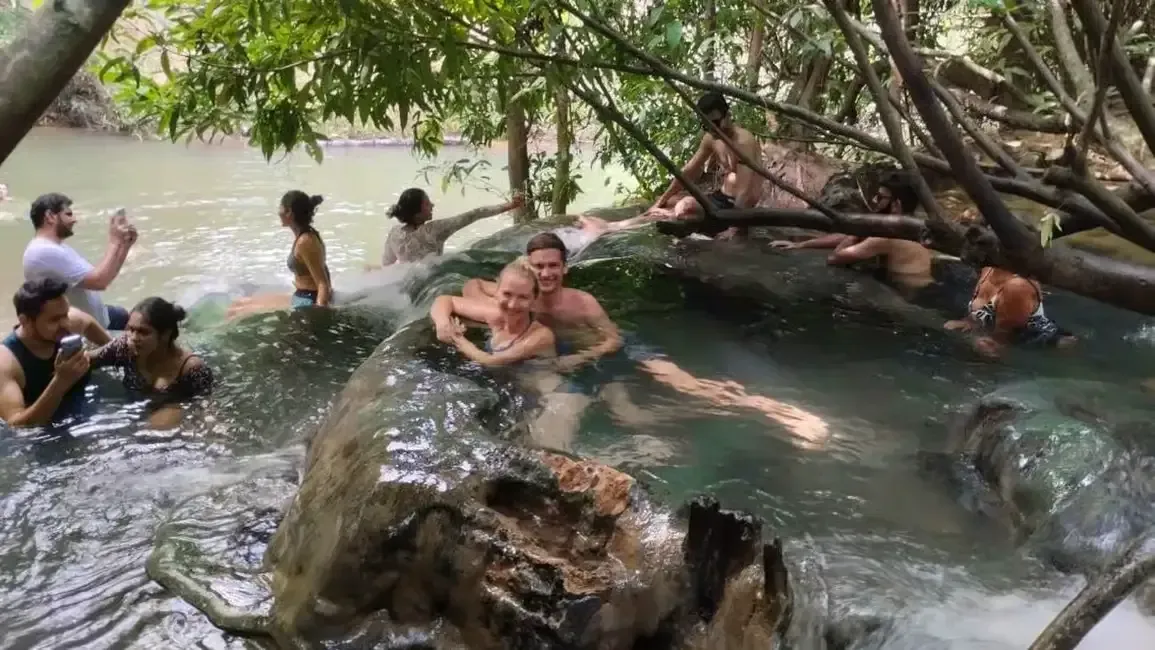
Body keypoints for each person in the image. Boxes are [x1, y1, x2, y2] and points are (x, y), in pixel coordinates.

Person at [578, 91, 763, 239]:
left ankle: (611, 227)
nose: (712, 129)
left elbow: (745, 193)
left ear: (728, 116)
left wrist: (734, 229)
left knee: (685, 206)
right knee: (670, 202)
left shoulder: (743, 143)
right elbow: (688, 172)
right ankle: (618, 225)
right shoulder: (712, 138)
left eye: (715, 123)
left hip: (735, 209)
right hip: (721, 198)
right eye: (706, 125)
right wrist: (660, 201)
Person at [771, 169, 949, 308]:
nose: (873, 199)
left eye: (880, 197)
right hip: (924, 289)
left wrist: (856, 234)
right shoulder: (912, 226)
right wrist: (800, 245)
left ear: (896, 205)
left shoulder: (889, 237)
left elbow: (835, 257)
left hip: (913, 299)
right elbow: (846, 236)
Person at [460, 232, 622, 372]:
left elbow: (614, 340)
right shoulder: (518, 296)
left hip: (583, 356)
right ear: (529, 267)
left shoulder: (584, 303)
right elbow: (473, 285)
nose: (545, 274)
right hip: (535, 355)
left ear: (564, 268)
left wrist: (579, 358)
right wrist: (499, 308)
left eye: (553, 266)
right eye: (539, 266)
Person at [0, 279, 112, 427]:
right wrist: (61, 381)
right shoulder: (6, 362)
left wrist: (113, 348)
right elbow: (16, 425)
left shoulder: (70, 323)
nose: (66, 323)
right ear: (25, 321)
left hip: (88, 404)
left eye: (65, 314)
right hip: (48, 430)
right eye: (54, 320)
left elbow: (89, 324)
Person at [23, 193, 138, 330]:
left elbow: (104, 276)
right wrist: (114, 241)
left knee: (133, 317)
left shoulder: (56, 247)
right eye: (68, 214)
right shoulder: (44, 252)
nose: (74, 220)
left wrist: (124, 245)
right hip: (87, 331)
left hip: (100, 317)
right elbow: (99, 282)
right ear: (50, 216)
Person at [226, 191, 333, 318]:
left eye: (280, 208)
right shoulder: (305, 235)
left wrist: (320, 312)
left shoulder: (306, 241)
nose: (278, 212)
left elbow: (322, 283)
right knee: (238, 304)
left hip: (308, 299)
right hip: (302, 294)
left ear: (289, 213)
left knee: (236, 312)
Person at [430, 260, 556, 367]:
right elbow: (445, 300)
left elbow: (491, 361)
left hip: (546, 387)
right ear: (496, 293)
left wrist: (456, 337)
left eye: (523, 297)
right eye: (507, 294)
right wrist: (443, 324)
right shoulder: (495, 315)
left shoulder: (541, 335)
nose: (512, 305)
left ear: (534, 300)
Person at [89, 297, 214, 399]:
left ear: (165, 334)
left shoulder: (192, 369)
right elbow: (86, 360)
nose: (133, 337)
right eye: (131, 329)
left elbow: (206, 407)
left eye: (143, 332)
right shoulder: (125, 347)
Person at [945, 267, 1076, 358]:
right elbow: (978, 314)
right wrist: (968, 322)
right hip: (1003, 331)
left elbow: (1001, 342)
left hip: (1039, 344)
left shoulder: (1017, 287)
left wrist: (984, 341)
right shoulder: (990, 269)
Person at [373, 188, 525, 267]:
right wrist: (511, 205)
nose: (432, 205)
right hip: (430, 278)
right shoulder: (435, 230)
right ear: (417, 212)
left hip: (408, 280)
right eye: (427, 203)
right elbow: (475, 214)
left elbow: (387, 264)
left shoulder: (394, 233)